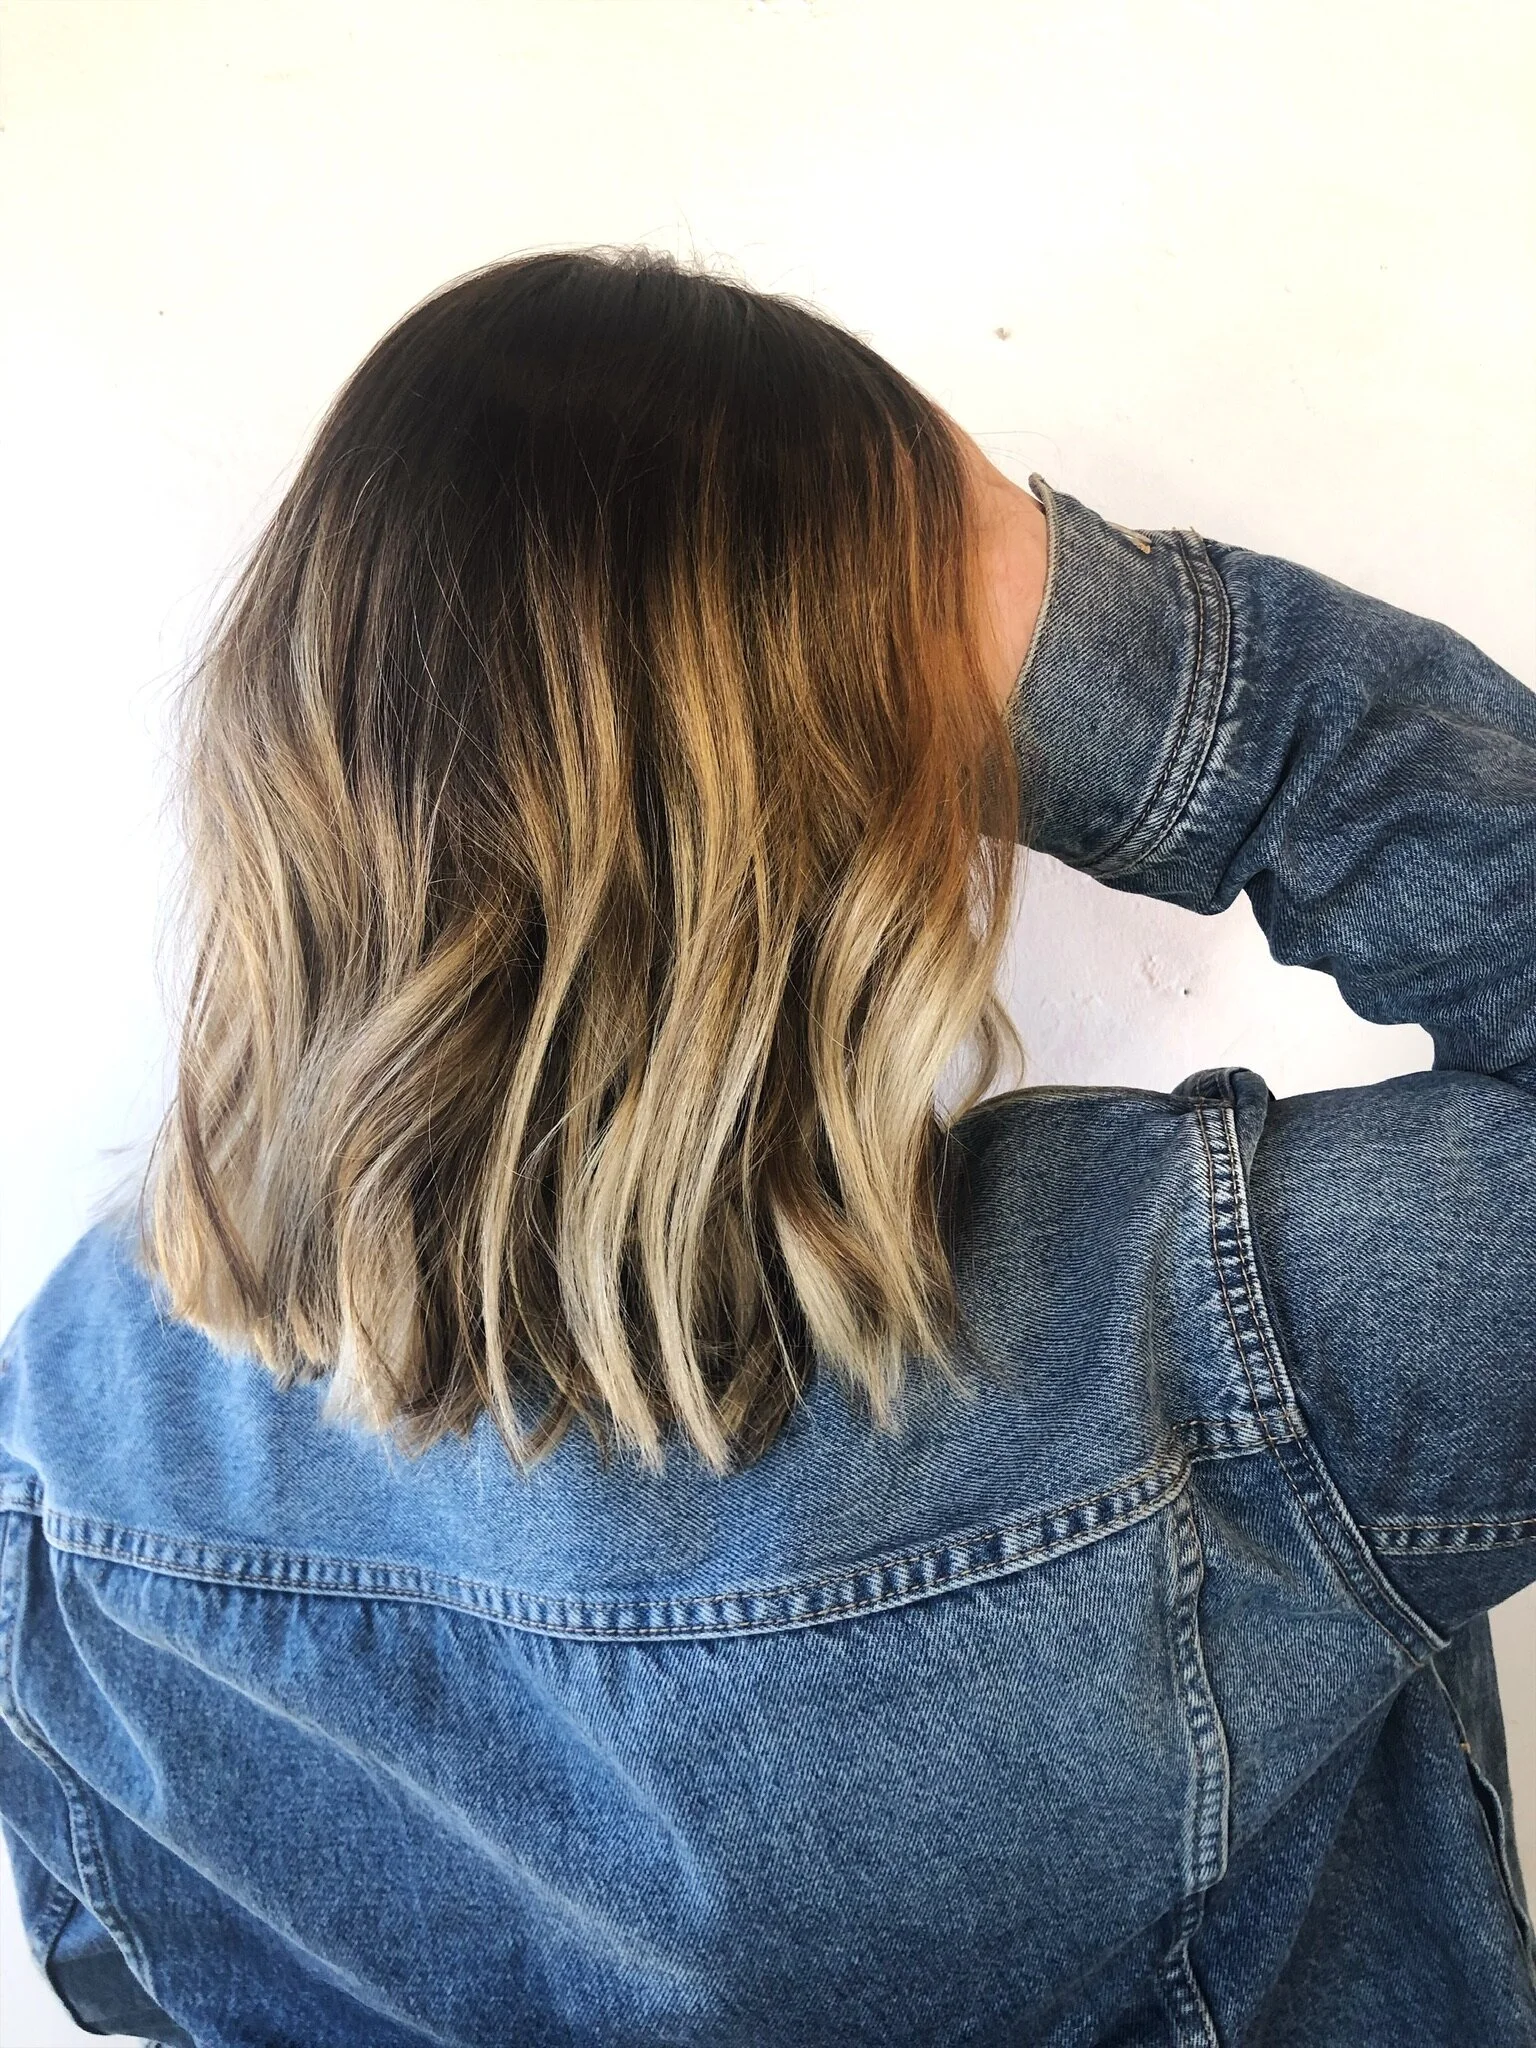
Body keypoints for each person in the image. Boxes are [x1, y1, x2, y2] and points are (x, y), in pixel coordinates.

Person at [1, 245, 1532, 2047]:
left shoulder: (74, 1420)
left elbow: (123, 1967)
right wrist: (1116, 646)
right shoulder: (1202, 1341)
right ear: (879, 780)